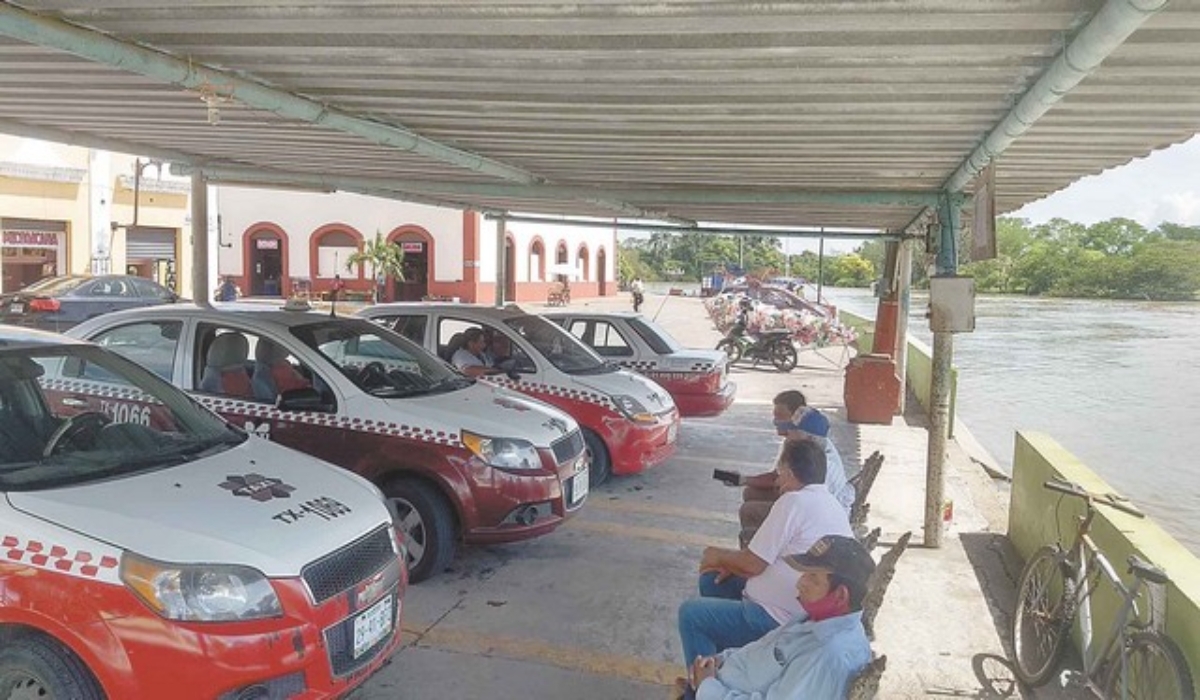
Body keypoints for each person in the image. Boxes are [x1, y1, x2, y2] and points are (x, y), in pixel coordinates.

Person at [677, 440, 853, 667]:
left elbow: (752, 564)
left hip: (780, 620)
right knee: (712, 582)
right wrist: (731, 564)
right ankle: (723, 667)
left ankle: (700, 689)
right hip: (800, 612)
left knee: (691, 615)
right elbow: (760, 557)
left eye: (780, 474)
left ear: (789, 473)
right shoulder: (829, 503)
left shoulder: (793, 501)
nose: (778, 482)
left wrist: (717, 556)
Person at [677, 535, 875, 700]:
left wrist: (708, 687)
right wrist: (722, 659)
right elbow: (764, 648)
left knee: (692, 616)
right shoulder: (816, 619)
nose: (799, 584)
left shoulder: (826, 655)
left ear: (841, 595)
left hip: (717, 692)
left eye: (812, 578)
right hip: (722, 682)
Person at [736, 390, 855, 545]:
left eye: (793, 430)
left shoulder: (822, 465)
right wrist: (743, 480)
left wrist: (781, 507)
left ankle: (761, 551)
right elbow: (780, 480)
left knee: (750, 510)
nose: (788, 433)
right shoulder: (807, 449)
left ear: (808, 438)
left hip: (816, 520)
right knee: (751, 493)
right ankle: (762, 544)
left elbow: (802, 503)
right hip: (807, 505)